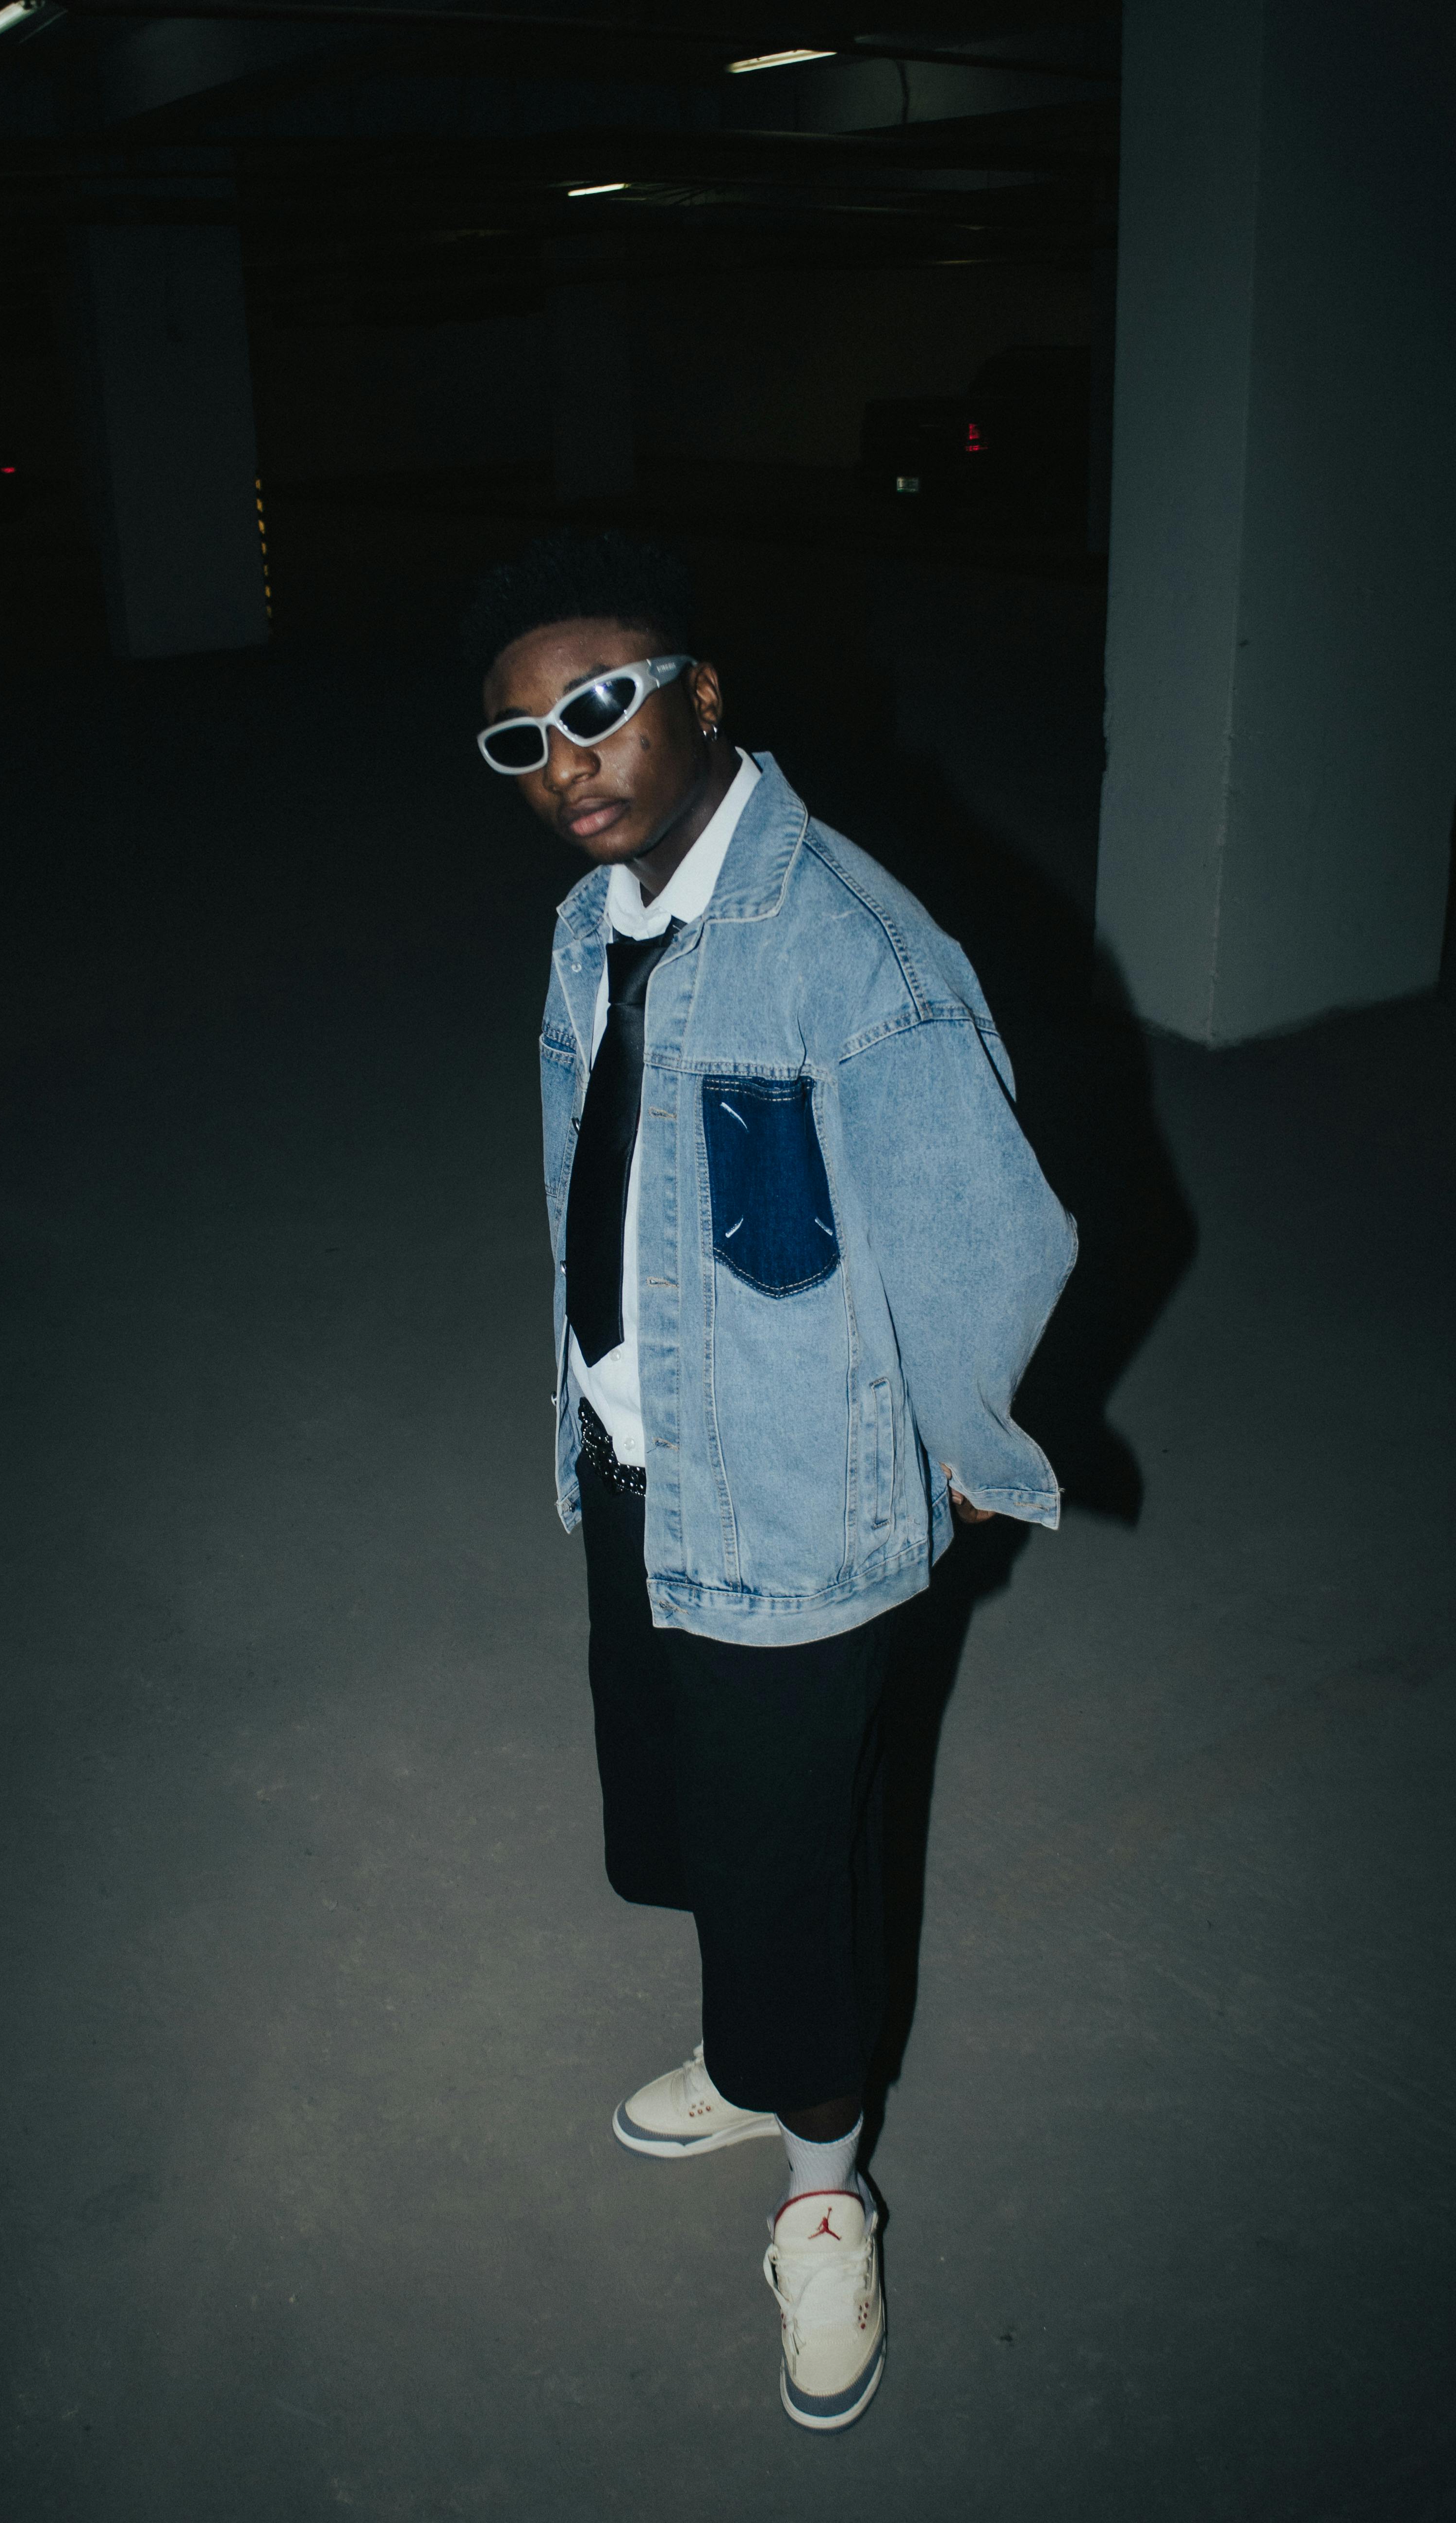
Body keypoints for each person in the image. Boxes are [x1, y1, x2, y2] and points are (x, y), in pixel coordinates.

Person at [464, 530, 1076, 2432]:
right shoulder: (593, 925)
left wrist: (961, 1455)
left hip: (800, 1510)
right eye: (521, 740)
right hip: (642, 1466)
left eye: (598, 705)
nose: (566, 760)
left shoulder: (851, 950)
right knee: (692, 1819)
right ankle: (750, 2063)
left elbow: (994, 1237)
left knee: (795, 1866)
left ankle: (823, 2190)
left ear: (702, 694)